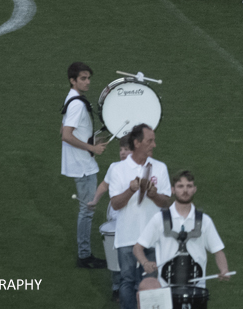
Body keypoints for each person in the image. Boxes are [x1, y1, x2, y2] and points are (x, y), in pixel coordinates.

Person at [108, 124, 172, 309]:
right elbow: (115, 204)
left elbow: (165, 202)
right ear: (137, 143)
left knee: (150, 283)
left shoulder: (160, 168)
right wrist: (130, 190)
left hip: (151, 237)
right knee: (127, 281)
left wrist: (153, 194)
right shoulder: (118, 169)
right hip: (127, 236)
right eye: (149, 141)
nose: (154, 145)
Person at [134, 171, 229, 291]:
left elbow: (218, 250)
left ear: (194, 189)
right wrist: (145, 263)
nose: (185, 190)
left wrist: (224, 269)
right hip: (165, 289)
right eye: (180, 186)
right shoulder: (159, 219)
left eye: (189, 186)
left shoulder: (205, 220)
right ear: (173, 190)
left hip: (197, 289)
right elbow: (138, 247)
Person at [61, 62, 108, 269]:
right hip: (82, 165)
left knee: (86, 209)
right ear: (73, 80)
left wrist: (91, 145)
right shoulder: (77, 104)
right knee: (87, 209)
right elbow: (65, 135)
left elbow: (63, 131)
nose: (87, 82)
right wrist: (92, 148)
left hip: (81, 160)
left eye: (89, 78)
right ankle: (84, 256)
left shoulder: (72, 99)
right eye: (83, 78)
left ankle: (84, 253)